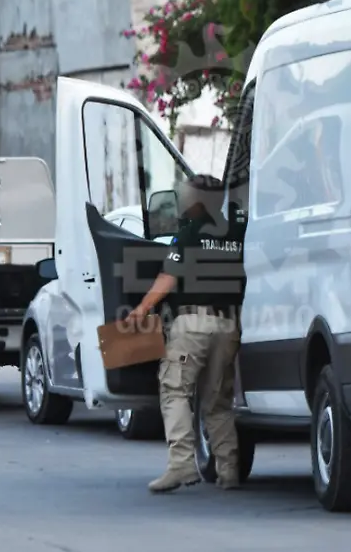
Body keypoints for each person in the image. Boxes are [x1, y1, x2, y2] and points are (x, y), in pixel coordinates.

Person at [127, 174, 246, 493]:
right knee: (218, 400)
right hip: (230, 324)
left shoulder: (190, 232)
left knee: (175, 389)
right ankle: (229, 469)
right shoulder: (239, 229)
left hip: (193, 323)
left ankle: (181, 466)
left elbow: (169, 276)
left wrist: (141, 309)